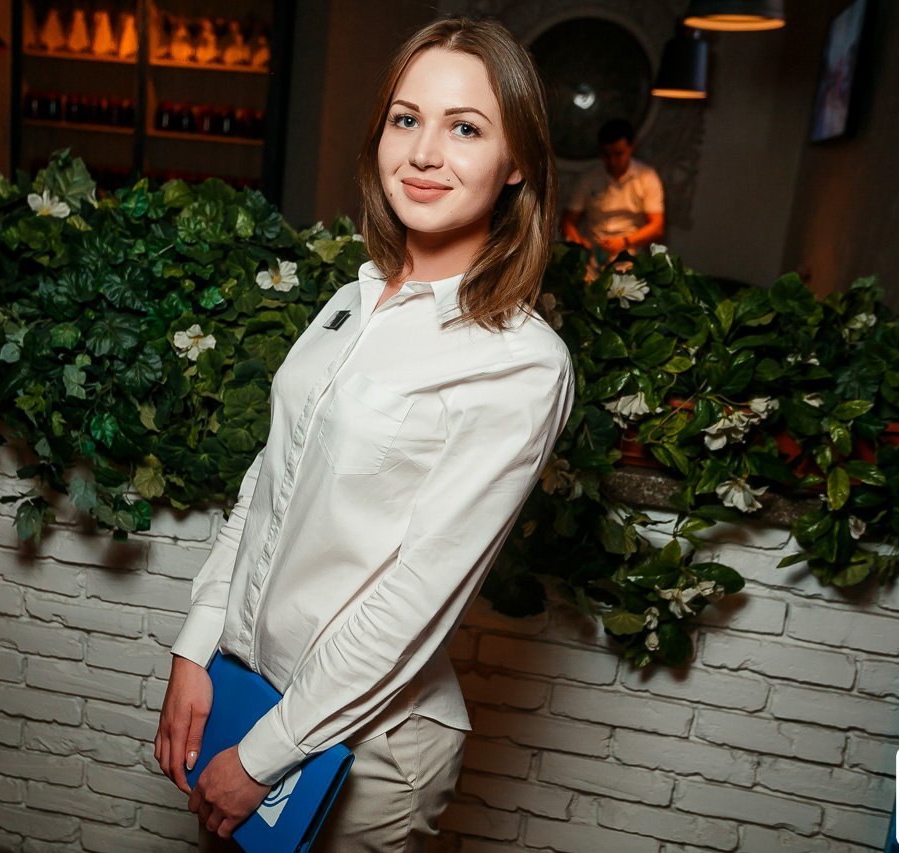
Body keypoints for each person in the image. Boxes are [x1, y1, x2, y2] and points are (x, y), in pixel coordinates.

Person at [155, 16, 574, 851]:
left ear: (517, 162)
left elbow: (416, 596)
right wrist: (196, 649)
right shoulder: (355, 295)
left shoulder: (521, 362)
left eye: (465, 128)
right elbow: (269, 480)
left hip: (367, 750)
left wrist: (265, 755)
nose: (424, 152)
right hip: (254, 693)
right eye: (405, 118)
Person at [560, 118, 665, 265]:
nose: (613, 161)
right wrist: (578, 244)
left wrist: (624, 242)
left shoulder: (647, 177)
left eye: (618, 154)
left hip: (630, 259)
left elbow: (657, 227)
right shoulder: (589, 177)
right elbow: (567, 220)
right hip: (592, 259)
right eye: (606, 155)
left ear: (632, 147)